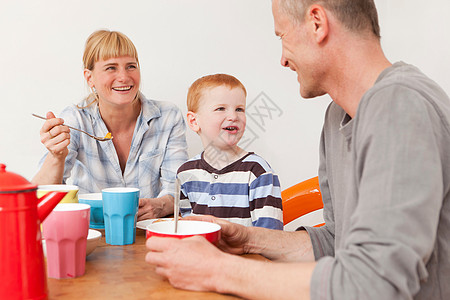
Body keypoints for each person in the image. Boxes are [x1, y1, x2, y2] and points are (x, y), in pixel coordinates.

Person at [145, 0, 450, 299]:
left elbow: (374, 283)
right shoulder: (337, 116)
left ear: (317, 23)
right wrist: (247, 239)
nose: (283, 59)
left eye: (282, 36)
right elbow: (335, 243)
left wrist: (218, 269)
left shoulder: (400, 107)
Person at [32, 30, 188, 221]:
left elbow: (180, 189)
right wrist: (56, 156)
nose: (124, 77)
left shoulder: (167, 116)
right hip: (92, 230)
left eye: (131, 66)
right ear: (90, 78)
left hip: (149, 232)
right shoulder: (75, 120)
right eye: (111, 68)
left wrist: (160, 205)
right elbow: (39, 198)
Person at [177, 74, 283, 230]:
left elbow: (270, 236)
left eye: (239, 109)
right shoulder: (186, 173)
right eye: (221, 108)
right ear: (194, 121)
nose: (234, 116)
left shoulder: (257, 171)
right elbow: (186, 227)